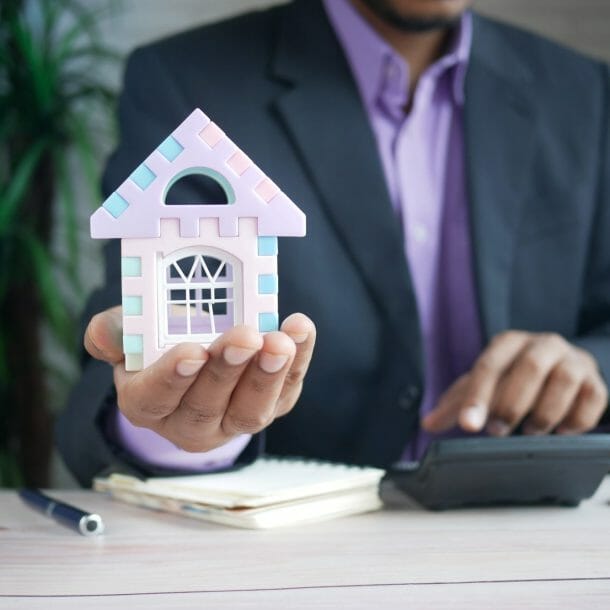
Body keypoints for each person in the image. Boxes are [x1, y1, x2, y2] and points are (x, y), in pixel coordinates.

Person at [57, 0, 610, 487]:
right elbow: (131, 341)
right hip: (293, 554)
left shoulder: (585, 93)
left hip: (533, 533)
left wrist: (590, 367)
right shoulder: (187, 81)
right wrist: (177, 429)